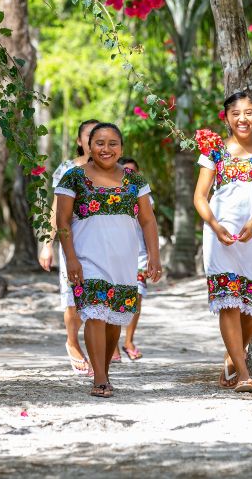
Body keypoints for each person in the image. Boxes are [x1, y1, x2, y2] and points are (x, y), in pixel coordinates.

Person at [56, 123, 162, 398]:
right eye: (100, 143)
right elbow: (62, 221)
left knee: (114, 319)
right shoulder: (73, 178)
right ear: (88, 146)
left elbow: (148, 221)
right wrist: (70, 258)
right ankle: (99, 379)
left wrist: (154, 256)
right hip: (87, 259)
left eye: (113, 143)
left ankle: (103, 370)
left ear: (122, 148)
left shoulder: (135, 181)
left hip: (123, 260)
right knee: (94, 313)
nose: (106, 149)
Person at [193, 91, 252, 394]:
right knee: (229, 304)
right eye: (236, 113)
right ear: (227, 117)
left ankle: (232, 356)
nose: (242, 119)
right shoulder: (214, 150)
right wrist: (215, 225)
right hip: (221, 236)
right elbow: (200, 196)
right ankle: (243, 373)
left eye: (248, 112)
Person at [39, 118, 98, 375]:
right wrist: (47, 244)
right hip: (72, 240)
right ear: (79, 141)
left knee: (100, 296)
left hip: (103, 241)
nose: (93, 141)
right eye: (88, 136)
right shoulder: (67, 169)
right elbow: (57, 210)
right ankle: (72, 342)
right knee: (73, 296)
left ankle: (98, 351)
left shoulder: (114, 171)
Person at [116, 156, 151, 361]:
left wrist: (153, 256)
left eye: (133, 171)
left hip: (139, 254)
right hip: (114, 254)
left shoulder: (143, 193)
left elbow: (149, 224)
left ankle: (128, 341)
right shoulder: (108, 192)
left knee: (135, 297)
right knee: (115, 298)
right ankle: (112, 346)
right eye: (125, 170)